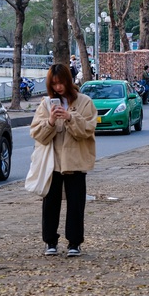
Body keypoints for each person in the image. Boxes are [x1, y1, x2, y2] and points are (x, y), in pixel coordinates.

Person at [30, 64, 98, 257]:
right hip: (52, 163)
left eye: (61, 83)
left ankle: (74, 243)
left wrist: (69, 117)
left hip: (76, 161)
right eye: (54, 84)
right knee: (50, 203)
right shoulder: (46, 103)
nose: (58, 87)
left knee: (76, 204)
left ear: (68, 81)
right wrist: (50, 122)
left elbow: (88, 129)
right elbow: (37, 133)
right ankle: (50, 241)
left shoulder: (85, 102)